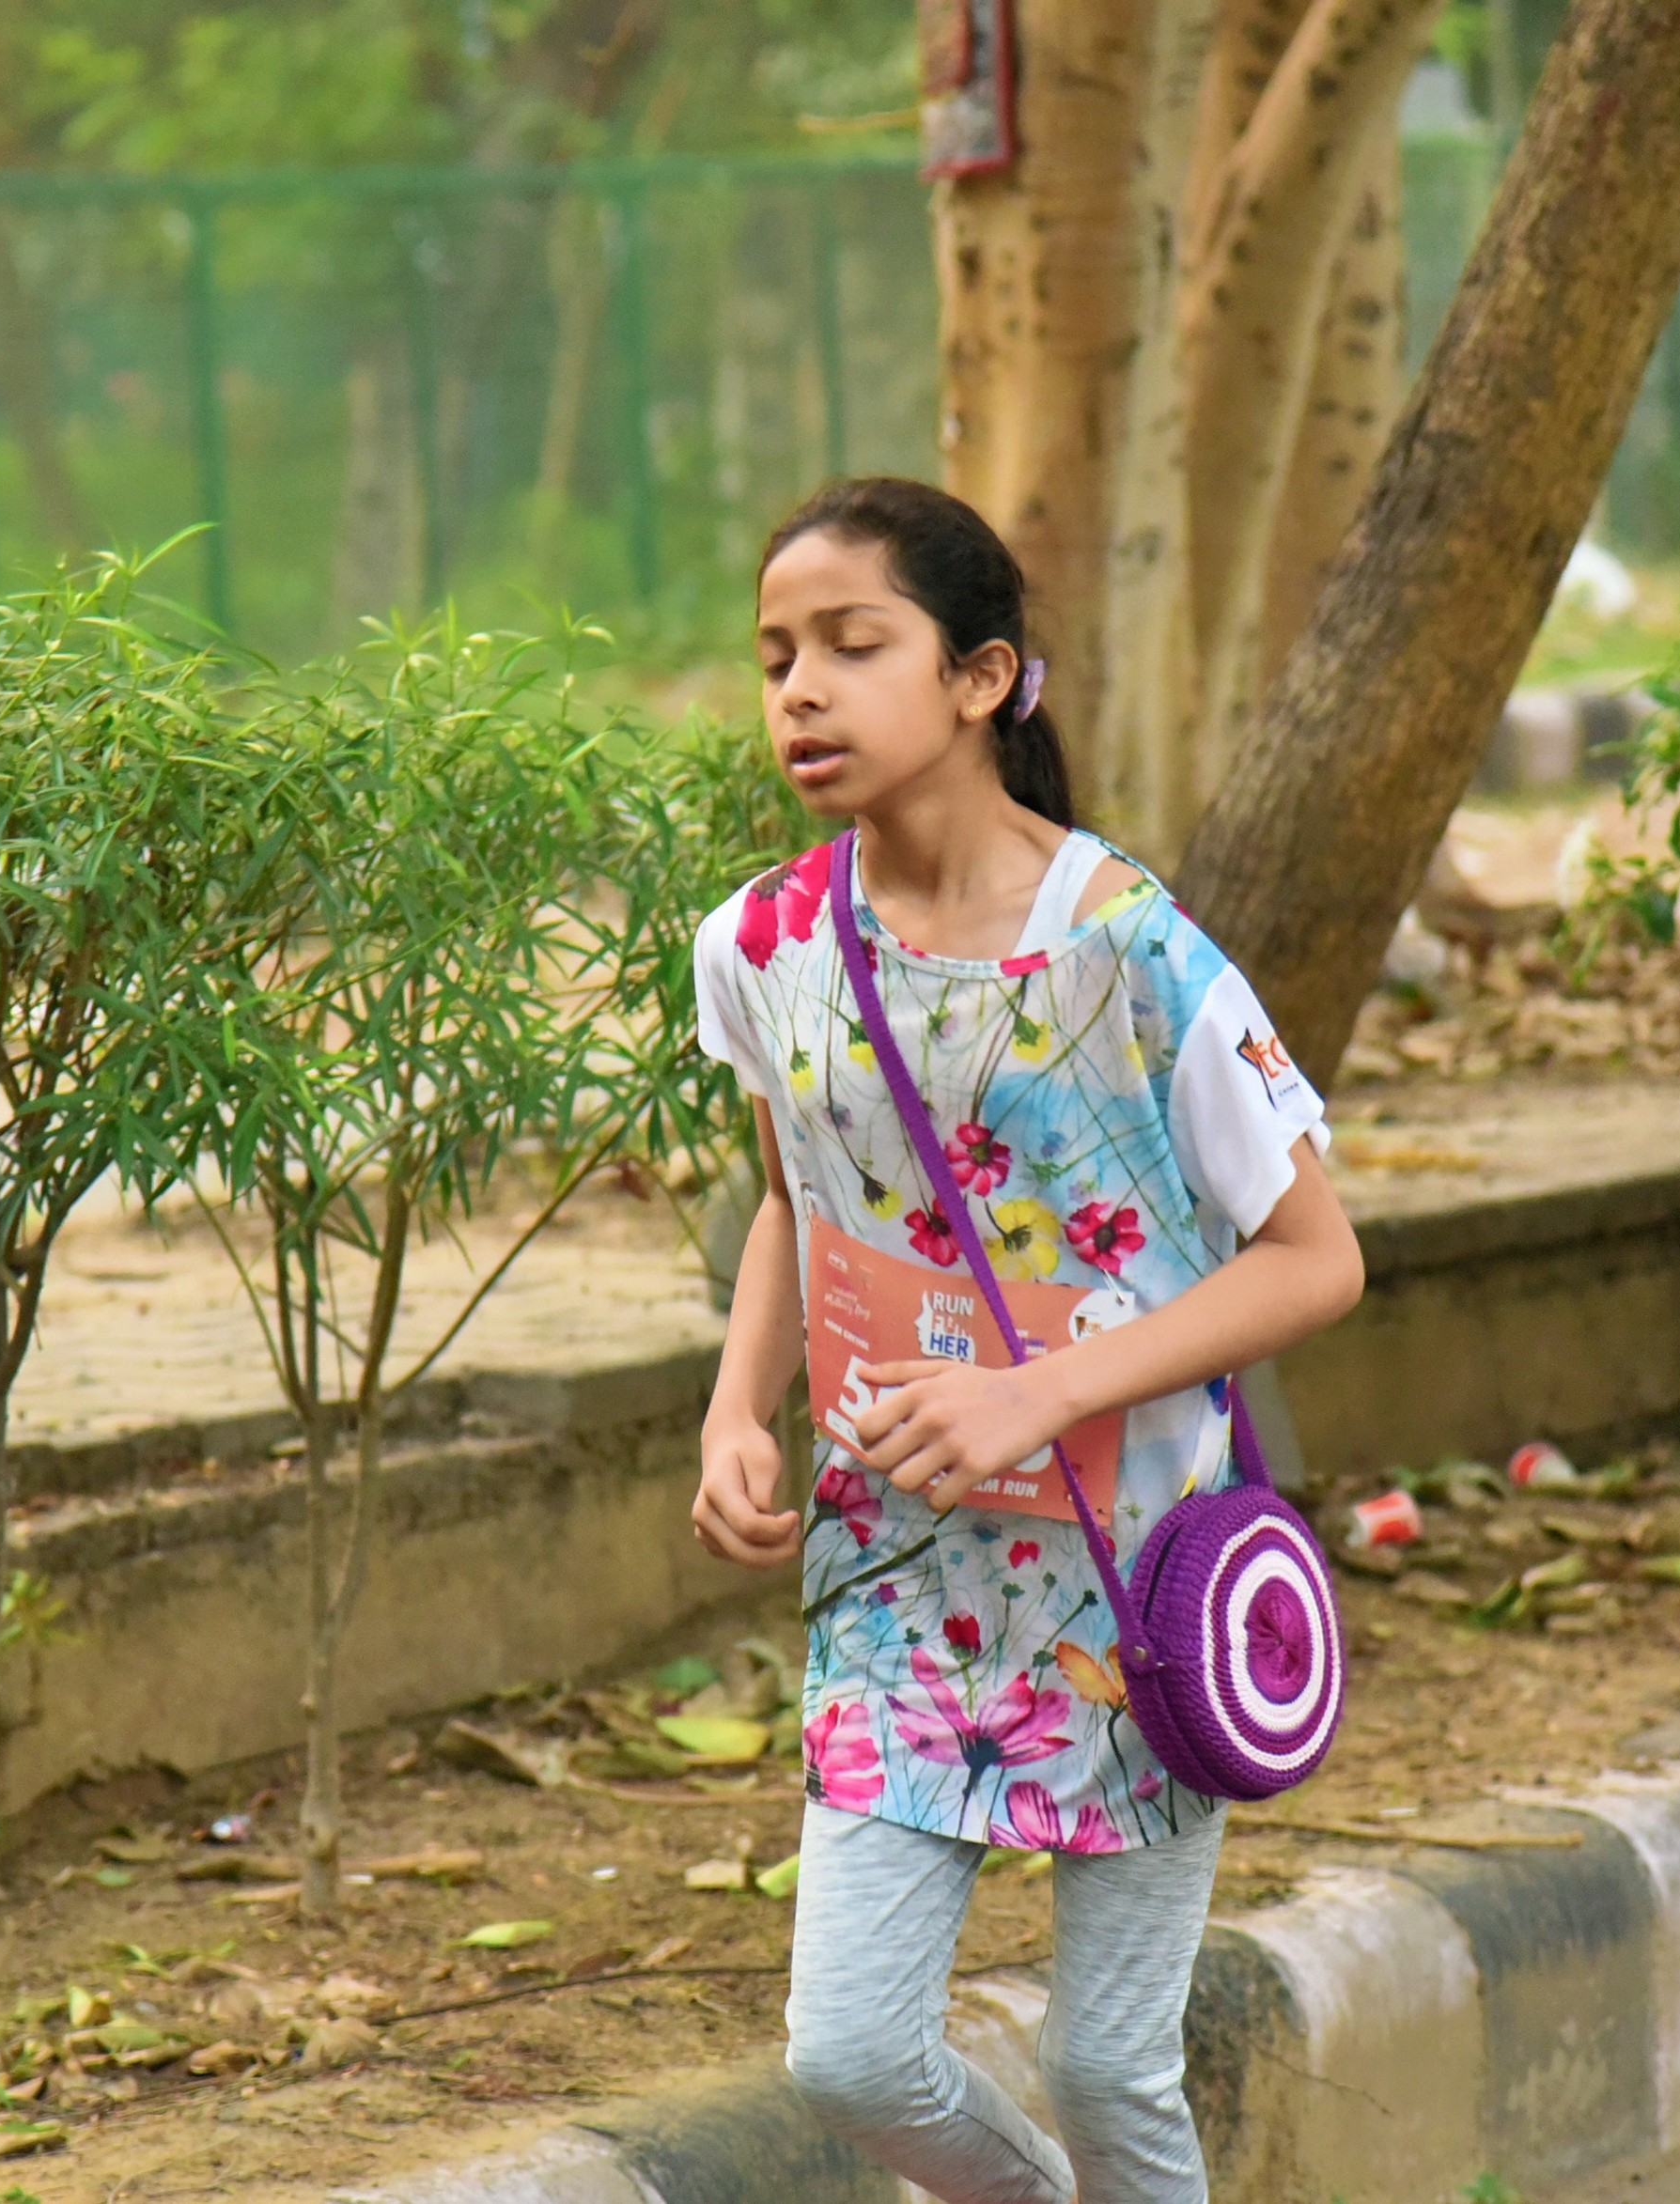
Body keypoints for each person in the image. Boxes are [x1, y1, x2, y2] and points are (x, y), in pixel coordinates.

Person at [688, 475, 1369, 2204]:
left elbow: (1316, 1260)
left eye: (853, 644)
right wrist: (736, 1411)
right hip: (894, 1569)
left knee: (1105, 2063)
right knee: (850, 2052)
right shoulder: (765, 943)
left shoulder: (1130, 950)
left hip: (1135, 1589)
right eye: (776, 656)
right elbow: (795, 1195)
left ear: (983, 676)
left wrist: (1038, 1392)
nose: (801, 689)